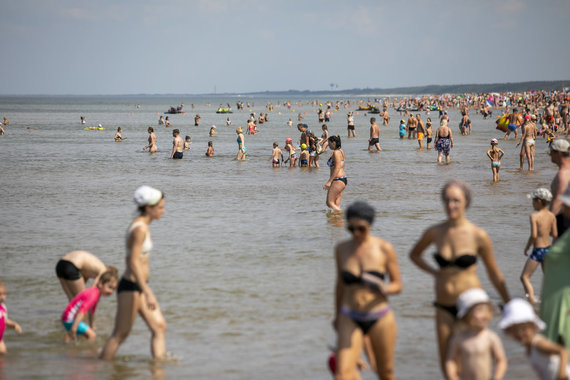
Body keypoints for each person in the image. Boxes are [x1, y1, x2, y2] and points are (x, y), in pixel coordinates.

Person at [409, 180, 510, 374]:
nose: (451, 205)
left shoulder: (478, 235)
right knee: (447, 367)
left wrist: (509, 304)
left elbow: (494, 273)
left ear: (466, 202)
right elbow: (414, 254)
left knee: (471, 366)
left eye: (456, 200)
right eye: (446, 200)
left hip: (473, 308)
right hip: (443, 306)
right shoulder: (435, 232)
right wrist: (434, 272)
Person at [334, 202, 402, 380]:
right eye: (351, 228)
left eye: (361, 229)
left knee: (385, 372)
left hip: (379, 316)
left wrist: (384, 287)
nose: (356, 233)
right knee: (342, 374)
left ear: (370, 225)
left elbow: (398, 285)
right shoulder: (341, 249)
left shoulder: (384, 248)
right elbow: (340, 286)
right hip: (350, 316)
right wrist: (336, 317)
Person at [100, 186, 167, 360]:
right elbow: (132, 262)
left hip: (141, 286)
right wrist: (147, 291)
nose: (163, 211)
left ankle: (158, 370)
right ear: (148, 208)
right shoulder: (139, 229)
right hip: (131, 287)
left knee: (159, 327)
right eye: (160, 207)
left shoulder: (144, 226)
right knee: (120, 334)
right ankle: (101, 367)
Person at [445, 288, 507, 380]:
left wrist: (497, 377)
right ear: (466, 316)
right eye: (479, 310)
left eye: (487, 311)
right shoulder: (459, 338)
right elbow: (451, 361)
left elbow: (501, 360)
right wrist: (453, 377)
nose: (484, 315)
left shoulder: (491, 337)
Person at [501, 298, 570, 380]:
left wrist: (561, 374)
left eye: (524, 329)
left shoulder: (538, 343)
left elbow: (563, 351)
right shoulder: (529, 349)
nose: (520, 333)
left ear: (534, 326)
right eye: (514, 331)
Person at [61, 267, 118, 343]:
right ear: (100, 284)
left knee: (84, 336)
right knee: (92, 336)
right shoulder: (93, 295)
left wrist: (92, 326)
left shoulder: (97, 293)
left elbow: (91, 311)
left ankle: (67, 346)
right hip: (69, 318)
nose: (111, 291)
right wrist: (74, 328)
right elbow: (81, 312)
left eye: (114, 289)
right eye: (110, 287)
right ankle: (89, 352)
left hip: (69, 317)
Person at [521, 188, 557, 304]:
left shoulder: (534, 216)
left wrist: (527, 247)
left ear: (539, 202)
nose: (532, 204)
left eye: (533, 201)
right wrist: (546, 232)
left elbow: (534, 235)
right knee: (548, 277)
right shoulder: (552, 216)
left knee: (525, 277)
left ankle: (531, 299)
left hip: (538, 251)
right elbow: (555, 234)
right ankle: (553, 298)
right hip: (548, 249)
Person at [549, 138, 570, 236]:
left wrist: (548, 223)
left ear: (559, 153)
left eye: (551, 152)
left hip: (564, 222)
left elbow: (559, 200)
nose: (550, 155)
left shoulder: (563, 174)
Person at [324, 135, 347, 212]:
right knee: (336, 204)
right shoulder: (341, 151)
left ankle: (344, 214)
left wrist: (329, 182)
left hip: (337, 180)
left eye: (329, 143)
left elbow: (337, 167)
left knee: (329, 203)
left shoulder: (336, 152)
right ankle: (337, 222)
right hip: (343, 179)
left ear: (333, 142)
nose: (328, 145)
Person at [0, 281, 22, 354]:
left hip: (0, 339)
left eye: (4, 294)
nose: (2, 296)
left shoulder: (3, 307)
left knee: (3, 352)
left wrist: (14, 324)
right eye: (0, 294)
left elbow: (5, 320)